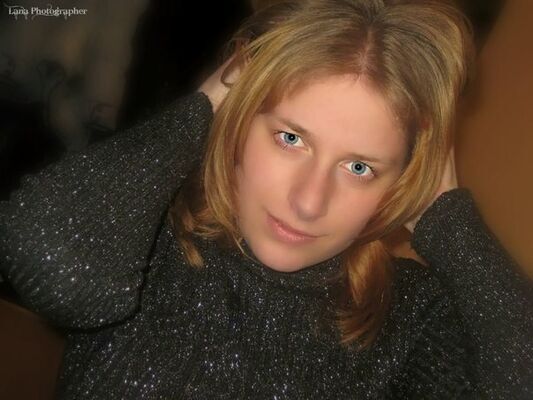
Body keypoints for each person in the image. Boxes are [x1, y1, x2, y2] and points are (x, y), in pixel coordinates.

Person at [1, 0, 532, 398]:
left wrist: (449, 221)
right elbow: (56, 267)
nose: (308, 202)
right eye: (290, 138)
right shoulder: (143, 240)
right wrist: (206, 105)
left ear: (400, 182)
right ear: (238, 117)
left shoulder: (404, 316)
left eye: (359, 167)